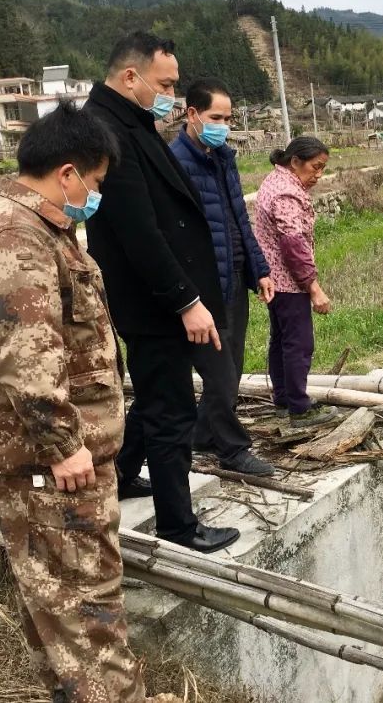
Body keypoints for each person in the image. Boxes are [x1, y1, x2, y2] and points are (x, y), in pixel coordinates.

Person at [0, 101, 151, 702]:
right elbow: (26, 354)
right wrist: (64, 446)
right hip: (55, 466)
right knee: (87, 609)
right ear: (67, 172)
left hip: (55, 459)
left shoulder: (38, 228)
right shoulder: (17, 237)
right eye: (93, 183)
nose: (94, 195)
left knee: (60, 609)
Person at [84, 32, 239, 554]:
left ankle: (125, 474)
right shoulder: (109, 132)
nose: (172, 94)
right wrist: (186, 301)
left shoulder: (131, 121)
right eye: (166, 84)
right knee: (172, 409)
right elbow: (139, 233)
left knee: (156, 400)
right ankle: (179, 525)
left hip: (156, 296)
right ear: (131, 77)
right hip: (153, 303)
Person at [170, 77, 276, 476]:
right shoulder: (175, 164)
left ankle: (202, 434)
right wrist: (187, 297)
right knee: (220, 371)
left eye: (228, 118)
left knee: (232, 361)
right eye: (216, 117)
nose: (224, 125)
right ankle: (233, 449)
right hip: (203, 287)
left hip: (233, 278)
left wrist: (259, 269)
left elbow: (238, 220)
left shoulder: (224, 158)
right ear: (192, 114)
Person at [253, 137, 338, 428]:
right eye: (315, 167)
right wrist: (314, 288)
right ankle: (300, 409)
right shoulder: (287, 193)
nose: (318, 175)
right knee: (299, 344)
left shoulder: (275, 181)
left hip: (272, 280)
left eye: (322, 169)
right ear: (295, 162)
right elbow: (293, 244)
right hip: (287, 282)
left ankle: (284, 400)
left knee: (281, 341)